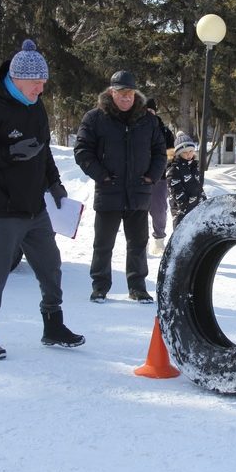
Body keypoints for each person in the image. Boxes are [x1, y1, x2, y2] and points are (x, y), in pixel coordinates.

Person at [0, 39, 84, 359]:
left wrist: (53, 182)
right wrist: (9, 153)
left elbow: (43, 150)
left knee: (51, 267)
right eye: (37, 82)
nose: (41, 89)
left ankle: (53, 326)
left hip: (34, 207)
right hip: (0, 207)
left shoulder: (35, 106)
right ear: (17, 79)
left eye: (44, 83)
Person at [73, 70, 167, 304]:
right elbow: (83, 150)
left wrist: (151, 177)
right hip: (109, 190)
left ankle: (137, 287)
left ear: (135, 94)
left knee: (138, 244)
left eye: (130, 93)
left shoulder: (149, 120)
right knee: (103, 244)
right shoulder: (95, 118)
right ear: (111, 93)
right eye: (121, 93)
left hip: (139, 191)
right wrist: (101, 175)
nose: (126, 98)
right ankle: (100, 286)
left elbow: (159, 152)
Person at [145, 97, 175, 257]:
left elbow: (171, 153)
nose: (148, 113)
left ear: (154, 111)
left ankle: (159, 241)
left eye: (150, 110)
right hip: (139, 178)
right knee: (139, 210)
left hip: (160, 177)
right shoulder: (136, 128)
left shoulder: (165, 131)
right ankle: (141, 242)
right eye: (145, 110)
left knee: (159, 210)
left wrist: (161, 167)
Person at [167, 132, 206, 227]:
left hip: (197, 208)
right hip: (182, 212)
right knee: (184, 236)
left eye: (191, 151)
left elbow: (198, 186)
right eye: (185, 152)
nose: (189, 154)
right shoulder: (174, 169)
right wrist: (185, 205)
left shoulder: (193, 166)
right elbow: (175, 190)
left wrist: (203, 200)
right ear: (178, 153)